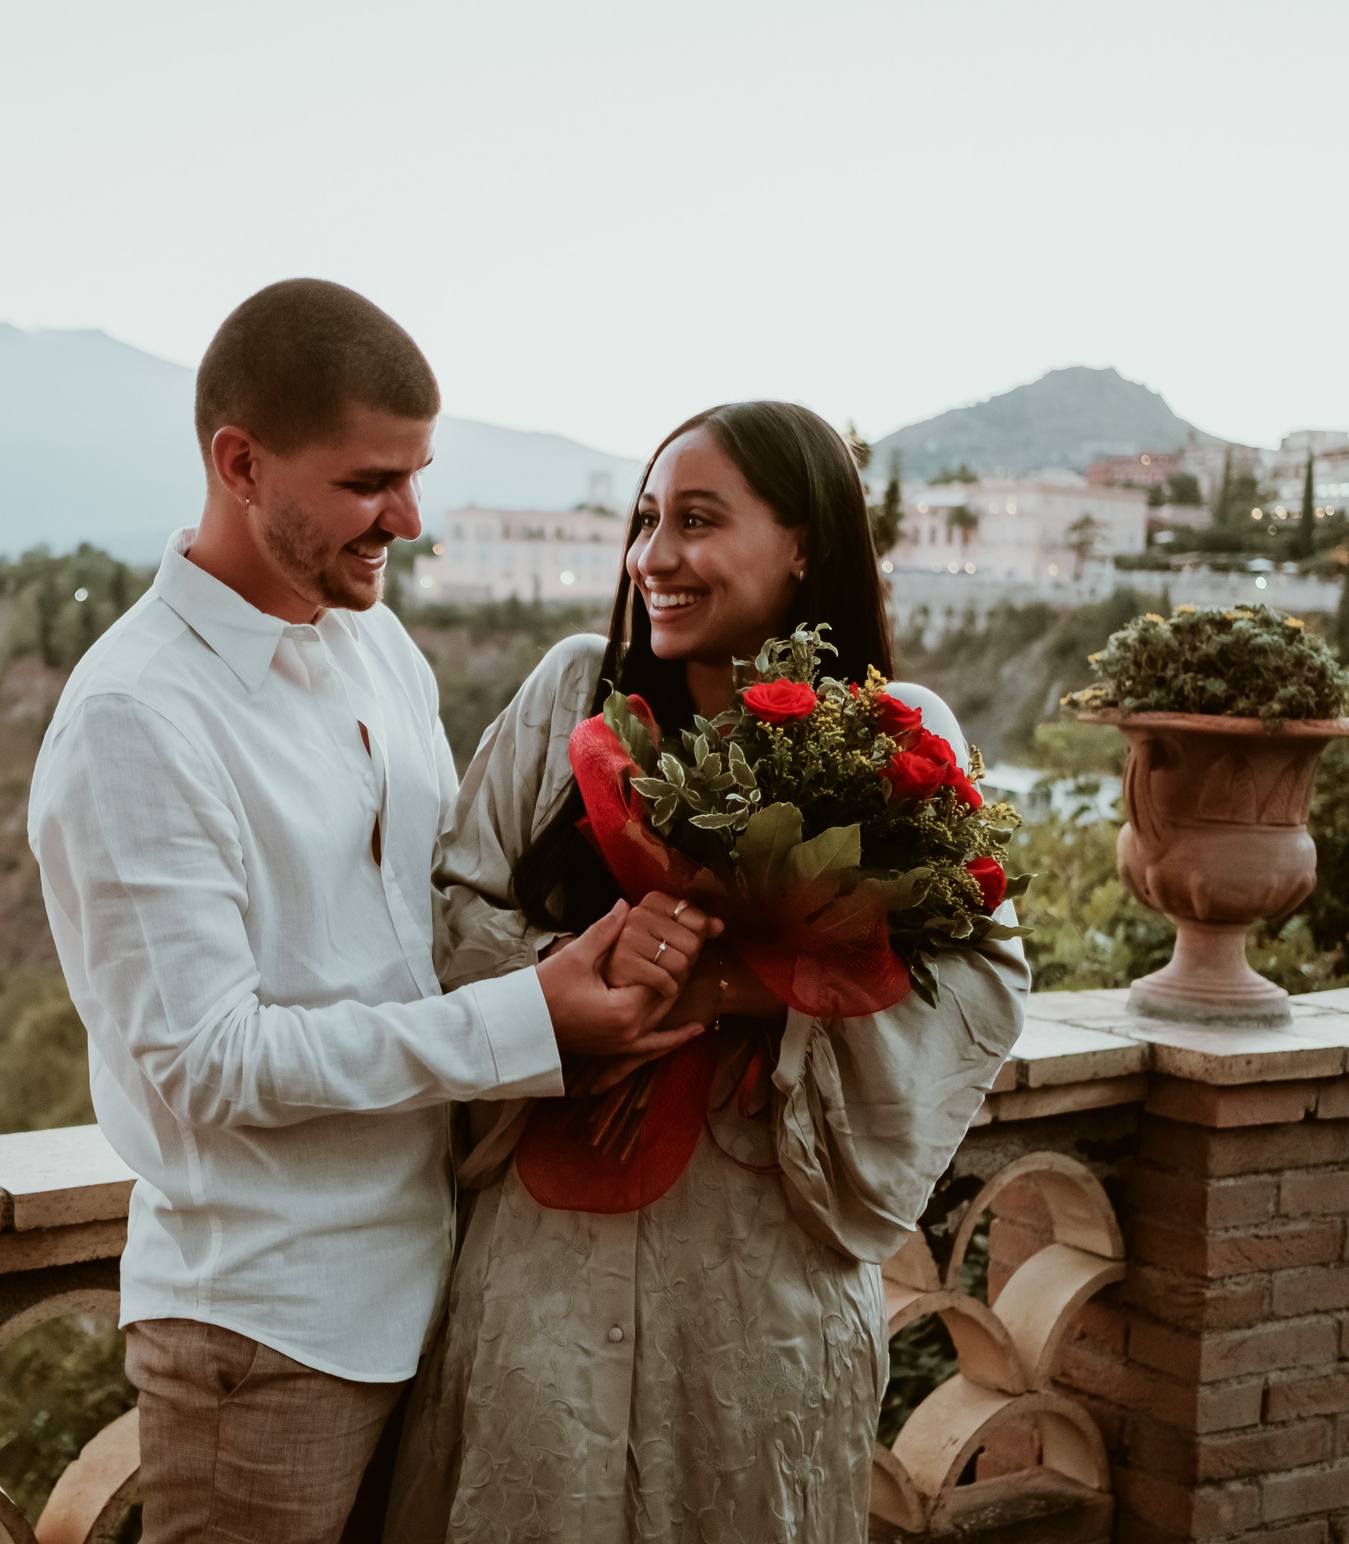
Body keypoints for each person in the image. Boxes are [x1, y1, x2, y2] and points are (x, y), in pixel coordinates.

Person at [28, 278, 707, 1544]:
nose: (406, 515)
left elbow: (433, 921)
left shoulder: (378, 650)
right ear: (239, 462)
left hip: (437, 1289)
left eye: (416, 473)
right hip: (265, 1327)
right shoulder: (135, 717)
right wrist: (527, 1025)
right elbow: (201, 1062)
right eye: (365, 482)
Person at [386, 402, 1030, 1544]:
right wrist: (571, 976)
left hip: (760, 1285)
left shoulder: (893, 731)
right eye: (645, 521)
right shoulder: (571, 696)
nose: (654, 558)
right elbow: (448, 908)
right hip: (547, 1268)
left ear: (801, 543)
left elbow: (982, 976)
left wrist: (733, 985)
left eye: (695, 520)